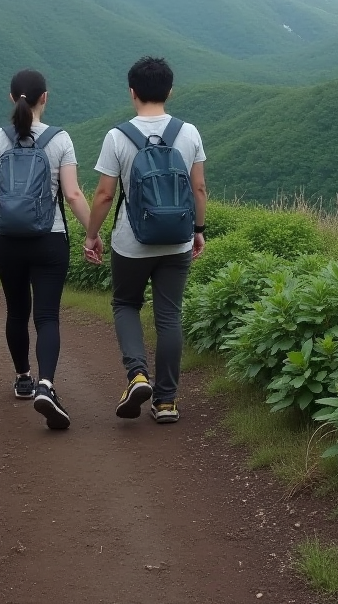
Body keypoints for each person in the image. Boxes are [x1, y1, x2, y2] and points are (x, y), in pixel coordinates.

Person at [84, 57, 207, 423]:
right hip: (178, 240)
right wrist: (198, 231)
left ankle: (137, 375)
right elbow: (198, 187)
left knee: (125, 304)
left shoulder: (117, 136)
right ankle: (166, 402)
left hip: (131, 241)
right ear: (169, 91)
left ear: (132, 92)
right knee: (169, 315)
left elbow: (105, 195)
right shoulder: (189, 132)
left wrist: (91, 236)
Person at [0, 69, 98, 430]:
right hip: (50, 238)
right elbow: (73, 195)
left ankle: (23, 378)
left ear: (11, 98)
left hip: (8, 239)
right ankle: (47, 384)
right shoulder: (60, 140)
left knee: (16, 312)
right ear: (45, 97)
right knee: (47, 316)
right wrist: (92, 234)